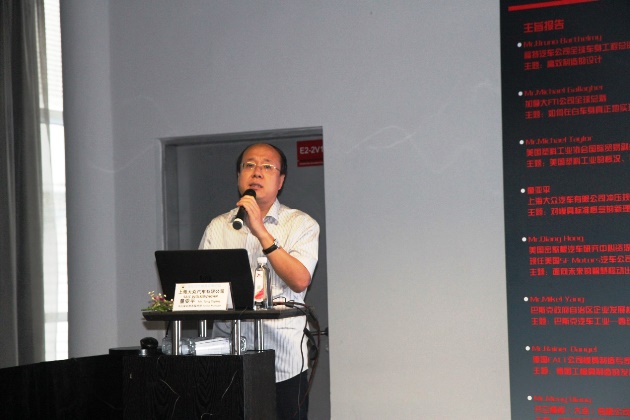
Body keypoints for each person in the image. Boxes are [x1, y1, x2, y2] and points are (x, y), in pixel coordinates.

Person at [198, 142, 319, 419]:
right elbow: (202, 286)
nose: (257, 172)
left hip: (283, 365)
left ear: (281, 181)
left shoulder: (302, 224)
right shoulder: (218, 227)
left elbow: (300, 280)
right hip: (228, 363)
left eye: (267, 166)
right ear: (239, 176)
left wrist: (261, 231)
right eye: (249, 165)